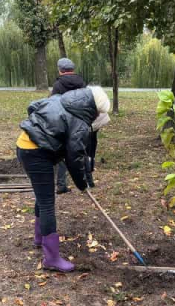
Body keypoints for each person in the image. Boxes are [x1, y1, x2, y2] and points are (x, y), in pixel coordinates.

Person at [17, 86, 111, 272]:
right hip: (36, 153)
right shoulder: (80, 121)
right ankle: (51, 258)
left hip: (24, 144)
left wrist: (41, 130)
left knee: (43, 195)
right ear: (94, 107)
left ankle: (40, 238)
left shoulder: (61, 98)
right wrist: (82, 185)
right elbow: (74, 158)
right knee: (47, 203)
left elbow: (33, 106)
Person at [50, 58, 86, 194]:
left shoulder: (58, 85)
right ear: (73, 69)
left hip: (62, 122)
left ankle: (61, 184)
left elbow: (53, 103)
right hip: (79, 122)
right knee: (78, 151)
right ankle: (83, 180)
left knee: (61, 153)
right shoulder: (82, 83)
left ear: (60, 69)